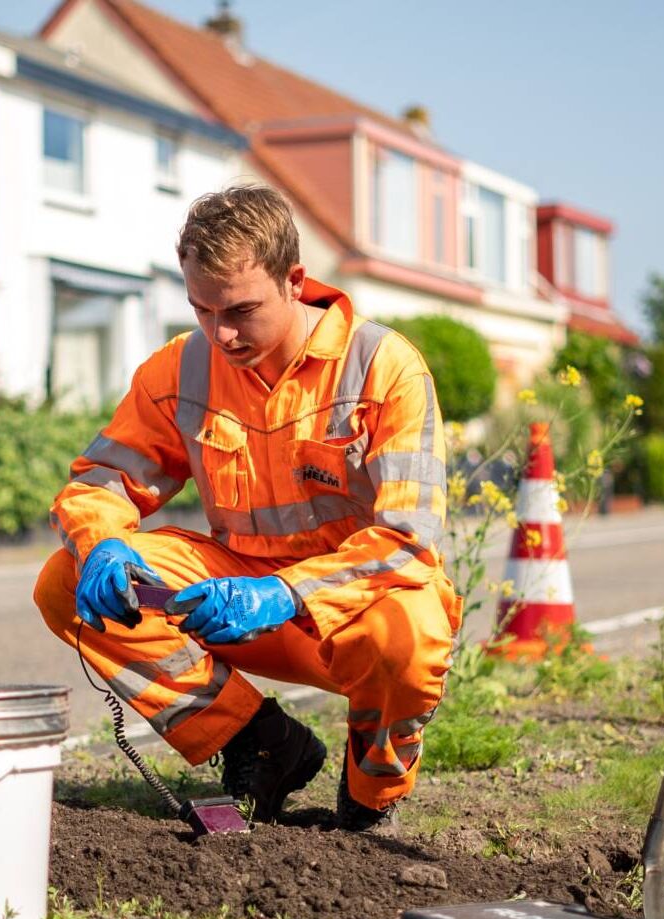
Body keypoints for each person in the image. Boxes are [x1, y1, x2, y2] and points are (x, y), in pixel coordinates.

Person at [33, 184, 461, 831]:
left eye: (239, 310)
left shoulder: (383, 369)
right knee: (67, 582)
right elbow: (101, 482)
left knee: (410, 632)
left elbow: (408, 538)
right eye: (201, 310)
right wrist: (102, 542)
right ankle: (260, 744)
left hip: (343, 614)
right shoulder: (181, 370)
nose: (221, 334)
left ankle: (371, 801)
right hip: (234, 598)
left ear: (295, 280)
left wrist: (287, 593)